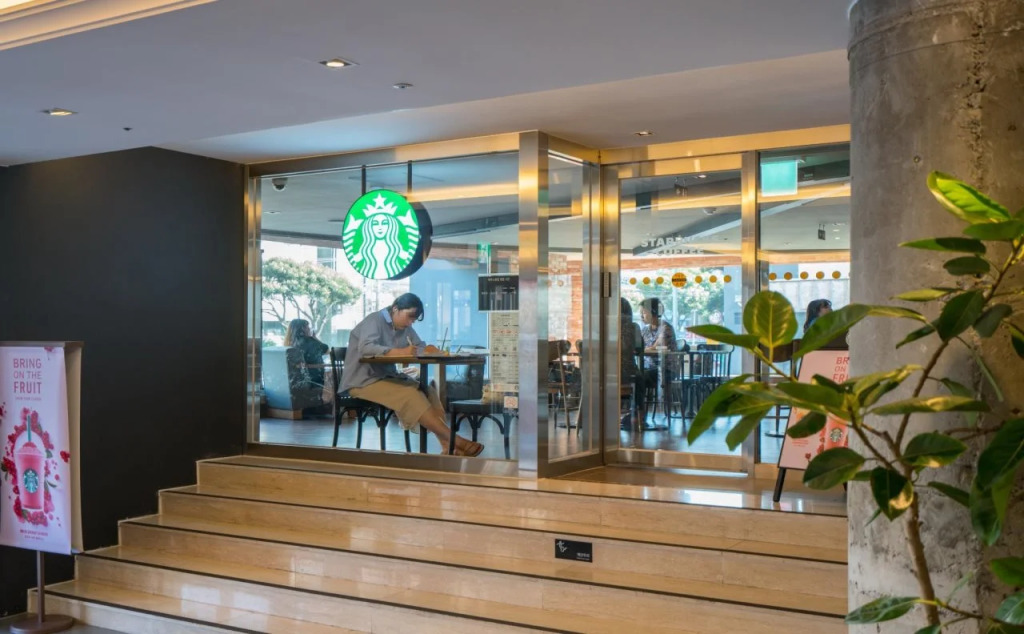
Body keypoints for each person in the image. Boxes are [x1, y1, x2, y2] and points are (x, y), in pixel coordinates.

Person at [340, 293, 483, 456]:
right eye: (409, 317)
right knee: (410, 394)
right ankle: (455, 440)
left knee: (427, 390)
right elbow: (366, 348)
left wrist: (429, 350)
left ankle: (446, 445)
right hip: (362, 381)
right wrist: (400, 351)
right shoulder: (374, 320)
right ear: (395, 309)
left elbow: (419, 346)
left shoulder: (405, 327)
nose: (410, 322)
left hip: (385, 377)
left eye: (413, 320)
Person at [638, 298, 678, 427]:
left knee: (640, 378)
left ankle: (640, 416)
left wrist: (647, 349)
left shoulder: (666, 328)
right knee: (636, 376)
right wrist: (647, 349)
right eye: (640, 312)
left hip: (666, 369)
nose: (641, 316)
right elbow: (639, 348)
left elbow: (656, 347)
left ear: (654, 312)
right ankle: (637, 415)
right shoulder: (644, 330)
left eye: (644, 312)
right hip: (650, 368)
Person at [620, 298, 644, 431]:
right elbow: (639, 350)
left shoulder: (603, 326)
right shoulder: (634, 327)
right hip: (627, 373)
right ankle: (638, 417)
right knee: (640, 379)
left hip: (605, 374)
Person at [284, 318, 329, 388]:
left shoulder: (290, 343)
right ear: (303, 328)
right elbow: (327, 351)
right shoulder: (310, 341)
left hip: (296, 382)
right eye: (308, 327)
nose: (309, 329)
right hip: (314, 381)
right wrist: (315, 338)